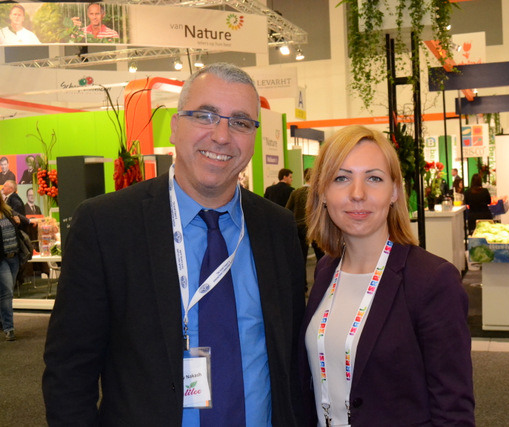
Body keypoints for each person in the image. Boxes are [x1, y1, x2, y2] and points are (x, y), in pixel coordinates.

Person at [42, 63, 306, 426]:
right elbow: (69, 372)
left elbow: (291, 361)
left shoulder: (277, 228)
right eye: (205, 116)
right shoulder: (108, 226)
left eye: (241, 122)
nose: (221, 136)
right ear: (175, 125)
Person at [300, 125, 475, 426]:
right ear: (322, 192)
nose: (357, 194)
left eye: (374, 178)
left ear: (394, 191)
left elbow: (453, 411)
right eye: (341, 178)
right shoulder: (327, 270)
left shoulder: (432, 281)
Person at [285, 167, 324, 263]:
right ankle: (321, 273)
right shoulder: (317, 193)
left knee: (301, 256)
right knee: (321, 256)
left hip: (299, 227)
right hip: (313, 227)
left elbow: (287, 209)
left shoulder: (295, 192)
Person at [0, 196, 21, 341]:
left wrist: (17, 222)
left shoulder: (7, 212)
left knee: (6, 292)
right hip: (1, 259)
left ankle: (3, 322)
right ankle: (9, 328)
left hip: (14, 256)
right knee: (7, 292)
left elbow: (19, 227)